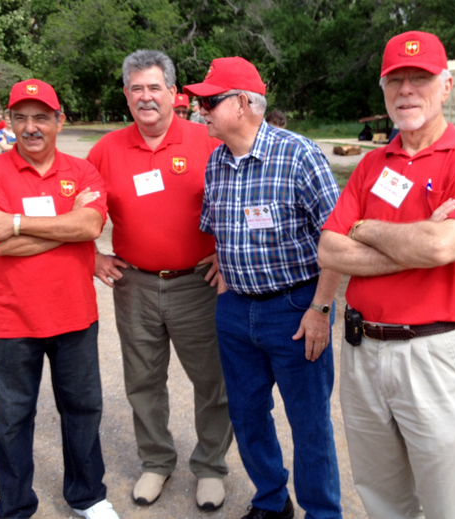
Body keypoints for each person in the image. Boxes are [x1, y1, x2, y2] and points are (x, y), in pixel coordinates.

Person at [318, 31, 455, 519]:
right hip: (361, 351)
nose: (406, 91)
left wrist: (365, 227)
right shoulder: (372, 164)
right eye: (395, 80)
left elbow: (444, 244)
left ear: (446, 86)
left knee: (449, 501)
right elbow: (330, 250)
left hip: (431, 354)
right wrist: (412, 244)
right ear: (383, 90)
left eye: (420, 79)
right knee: (382, 495)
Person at [184, 57, 343, 519]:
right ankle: (272, 502)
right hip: (236, 311)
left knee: (309, 423)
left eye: (209, 102)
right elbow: (218, 228)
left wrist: (320, 308)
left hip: (295, 309)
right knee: (248, 416)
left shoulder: (299, 155)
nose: (200, 111)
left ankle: (321, 513)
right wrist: (226, 272)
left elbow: (337, 238)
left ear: (241, 104)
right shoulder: (216, 161)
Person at [87, 50, 233, 511]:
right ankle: (156, 460)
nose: (145, 97)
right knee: (144, 381)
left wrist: (227, 258)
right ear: (126, 96)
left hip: (198, 284)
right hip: (135, 286)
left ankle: (210, 466)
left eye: (154, 87)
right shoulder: (105, 150)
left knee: (213, 381)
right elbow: (75, 210)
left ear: (174, 93)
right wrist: (90, 257)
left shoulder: (208, 140)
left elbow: (240, 201)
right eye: (136, 88)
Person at [0, 78, 120, 519]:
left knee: (83, 409)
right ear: (10, 122)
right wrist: (68, 227)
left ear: (59, 121)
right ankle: (15, 506)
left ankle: (87, 495)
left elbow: (90, 228)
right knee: (13, 419)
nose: (31, 127)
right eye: (21, 118)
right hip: (9, 320)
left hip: (74, 316)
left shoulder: (82, 172)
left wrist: (15, 222)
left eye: (41, 117)